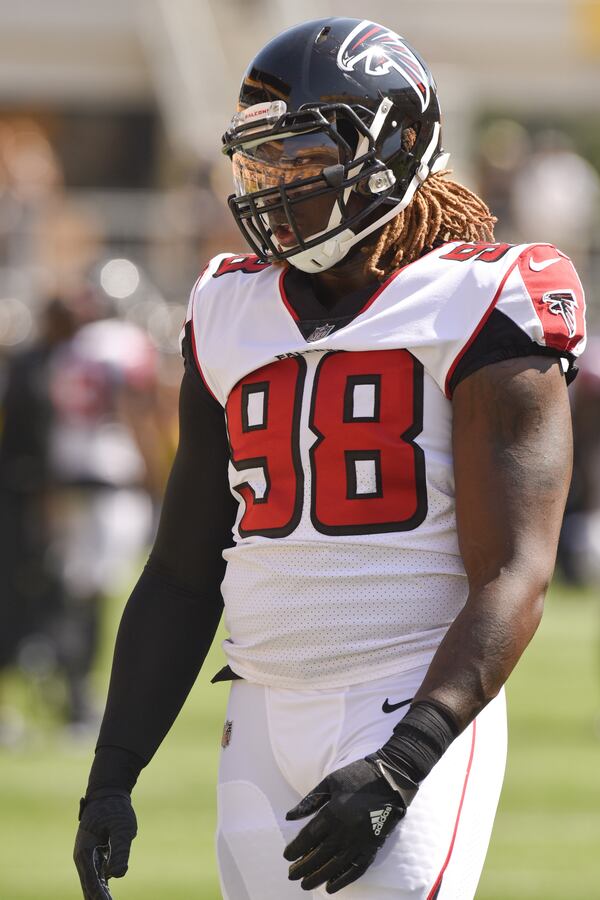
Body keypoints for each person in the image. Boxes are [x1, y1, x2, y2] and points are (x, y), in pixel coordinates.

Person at [73, 17, 586, 900]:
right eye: (264, 164)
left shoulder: (484, 297)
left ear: (395, 149)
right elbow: (184, 571)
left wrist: (408, 758)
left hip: (409, 696)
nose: (278, 188)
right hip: (262, 709)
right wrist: (113, 769)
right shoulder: (227, 307)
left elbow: (515, 570)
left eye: (305, 159)